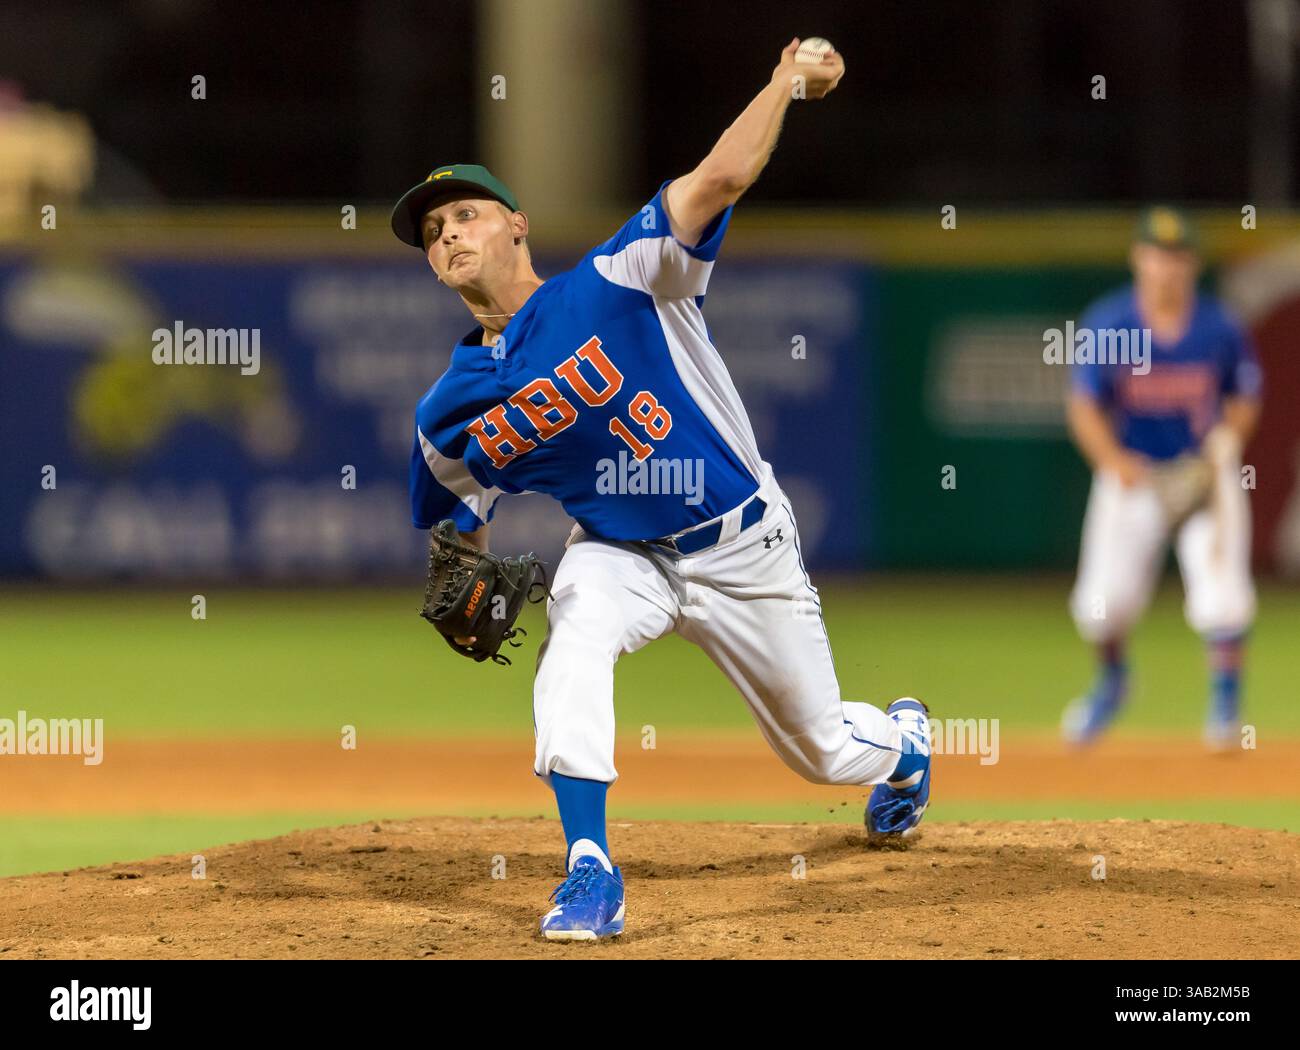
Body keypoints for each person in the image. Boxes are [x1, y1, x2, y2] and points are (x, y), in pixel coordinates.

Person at [392, 39, 931, 941]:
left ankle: (907, 746)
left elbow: (719, 178)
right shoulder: (449, 410)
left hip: (743, 544)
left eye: (466, 214)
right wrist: (459, 581)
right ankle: (590, 871)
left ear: (517, 225)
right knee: (573, 632)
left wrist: (782, 82)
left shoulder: (623, 278)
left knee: (823, 751)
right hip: (618, 554)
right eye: (433, 231)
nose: (448, 233)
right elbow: (456, 522)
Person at [1062, 207, 1263, 751]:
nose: (1167, 267)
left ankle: (1225, 706)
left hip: (1202, 475)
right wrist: (1110, 460)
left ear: (1192, 264)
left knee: (1222, 594)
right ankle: (1113, 682)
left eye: (1177, 257)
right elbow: (1083, 405)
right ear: (1138, 259)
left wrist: (1227, 440)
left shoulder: (1218, 326)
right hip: (1136, 475)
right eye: (1157, 255)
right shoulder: (1111, 323)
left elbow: (1245, 394)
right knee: (1100, 604)